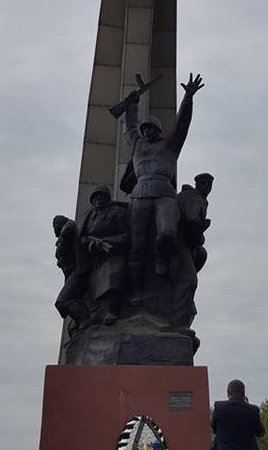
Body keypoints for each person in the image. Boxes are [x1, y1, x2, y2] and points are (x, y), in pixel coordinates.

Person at [122, 72, 204, 303]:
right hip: (140, 195)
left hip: (164, 195)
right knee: (136, 245)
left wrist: (188, 98)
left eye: (151, 128)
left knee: (168, 232)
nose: (147, 131)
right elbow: (129, 127)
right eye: (145, 129)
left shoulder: (170, 145)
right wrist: (132, 105)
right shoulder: (137, 144)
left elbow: (182, 124)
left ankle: (161, 258)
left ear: (158, 130)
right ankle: (135, 292)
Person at [54, 187, 129, 327]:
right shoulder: (86, 217)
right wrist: (86, 242)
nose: (98, 200)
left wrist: (106, 242)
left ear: (108, 198)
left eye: (102, 196)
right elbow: (77, 235)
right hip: (87, 264)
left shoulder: (118, 213)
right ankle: (84, 320)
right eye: (95, 197)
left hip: (111, 256)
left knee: (113, 276)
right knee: (62, 301)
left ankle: (112, 311)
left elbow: (126, 237)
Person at [202, 380, 266, 450]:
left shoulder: (219, 408)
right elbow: (260, 432)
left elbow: (214, 429)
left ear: (228, 394)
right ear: (243, 394)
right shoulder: (252, 411)